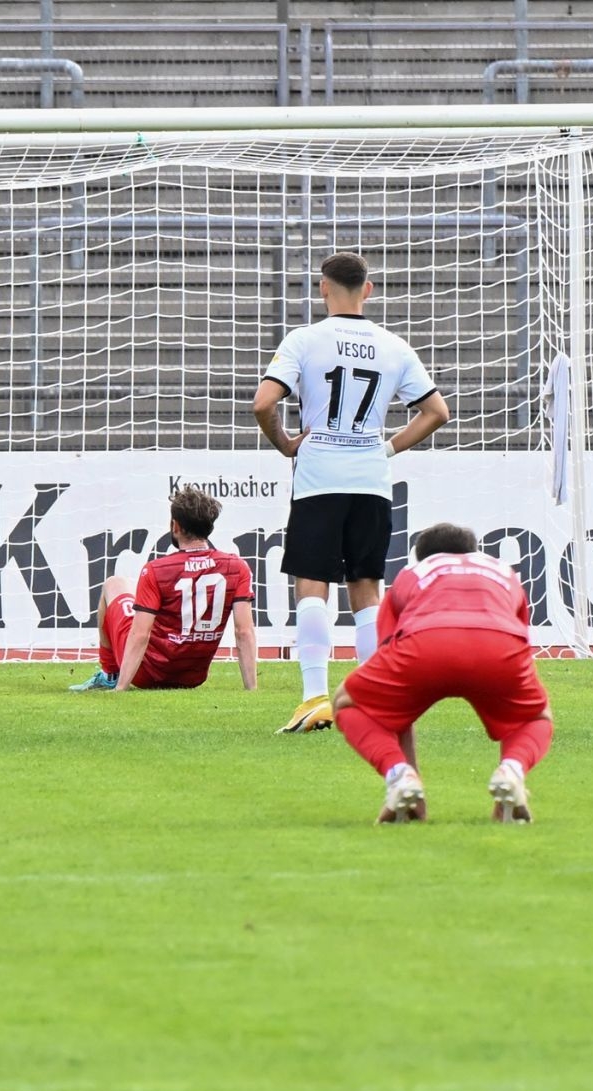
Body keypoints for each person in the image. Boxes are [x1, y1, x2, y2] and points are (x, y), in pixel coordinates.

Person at [253, 251, 450, 734]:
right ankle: (374, 701)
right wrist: (384, 449)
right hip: (370, 482)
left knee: (312, 585)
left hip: (320, 478)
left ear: (323, 287)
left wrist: (284, 444)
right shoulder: (394, 346)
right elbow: (437, 412)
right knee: (366, 588)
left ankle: (314, 698)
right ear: (369, 289)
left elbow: (263, 403)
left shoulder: (304, 340)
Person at [333, 523, 554, 825]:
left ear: (422, 557)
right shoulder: (504, 572)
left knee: (349, 701)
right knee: (534, 716)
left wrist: (408, 774)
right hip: (498, 646)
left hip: (426, 642)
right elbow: (520, 639)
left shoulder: (413, 574)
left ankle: (400, 778)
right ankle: (512, 771)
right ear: (474, 552)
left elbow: (389, 674)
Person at [68, 485, 258, 694]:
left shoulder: (156, 570)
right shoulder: (237, 567)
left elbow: (141, 634)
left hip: (146, 674)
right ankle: (114, 675)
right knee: (132, 590)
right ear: (209, 527)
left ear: (175, 526)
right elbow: (244, 631)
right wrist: (252, 690)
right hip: (192, 677)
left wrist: (122, 688)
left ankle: (111, 676)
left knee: (113, 584)